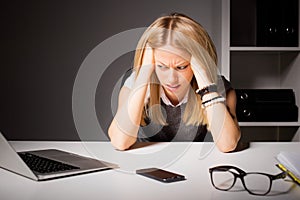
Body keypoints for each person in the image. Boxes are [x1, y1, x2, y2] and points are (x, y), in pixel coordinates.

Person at [108, 13, 241, 152]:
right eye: (162, 66)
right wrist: (144, 72)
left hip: (195, 164)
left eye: (181, 67)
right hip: (147, 163)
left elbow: (228, 144)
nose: (171, 79)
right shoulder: (134, 82)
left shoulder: (218, 87)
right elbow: (120, 142)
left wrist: (205, 83)